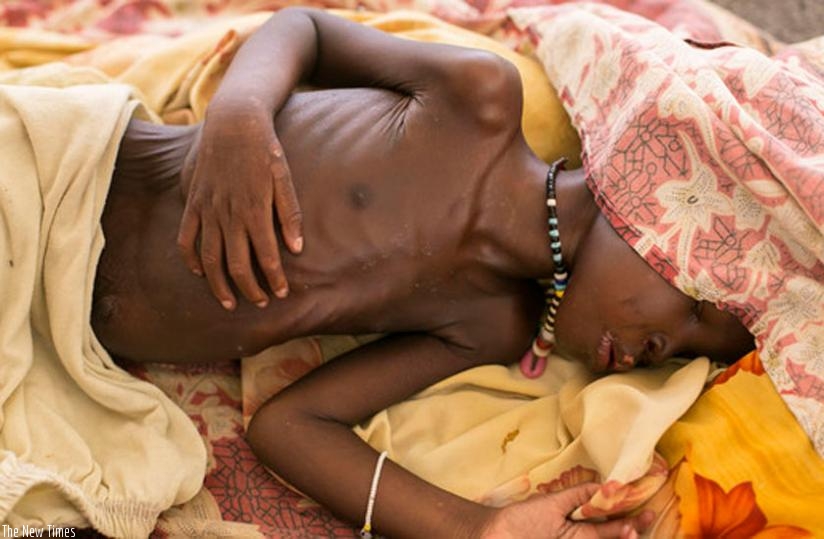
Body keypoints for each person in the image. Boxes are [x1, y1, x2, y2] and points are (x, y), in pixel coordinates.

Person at [90, 7, 755, 537]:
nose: (668, 351)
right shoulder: (478, 101)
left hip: (60, 326)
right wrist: (240, 114)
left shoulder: (492, 323)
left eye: (689, 352)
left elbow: (290, 425)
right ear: (663, 198)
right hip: (64, 170)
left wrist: (477, 526)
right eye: (695, 308)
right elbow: (307, 28)